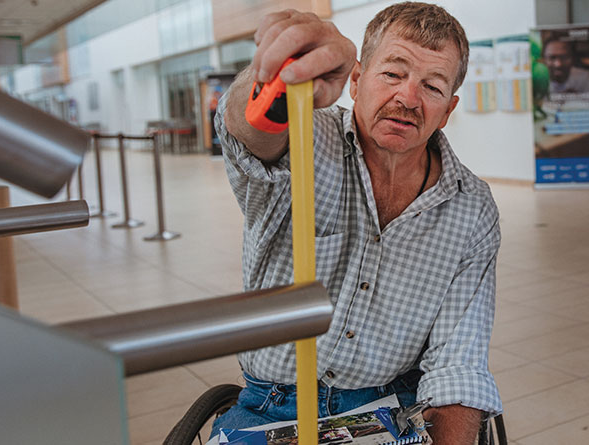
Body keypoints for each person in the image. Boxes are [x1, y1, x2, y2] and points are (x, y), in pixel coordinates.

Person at [213, 3, 501, 444]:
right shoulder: (307, 139)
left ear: (448, 109)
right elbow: (249, 139)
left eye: (432, 86)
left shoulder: (472, 207)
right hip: (271, 404)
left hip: (394, 405)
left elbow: (457, 364)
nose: (408, 98)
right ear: (356, 79)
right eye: (392, 74)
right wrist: (273, 82)